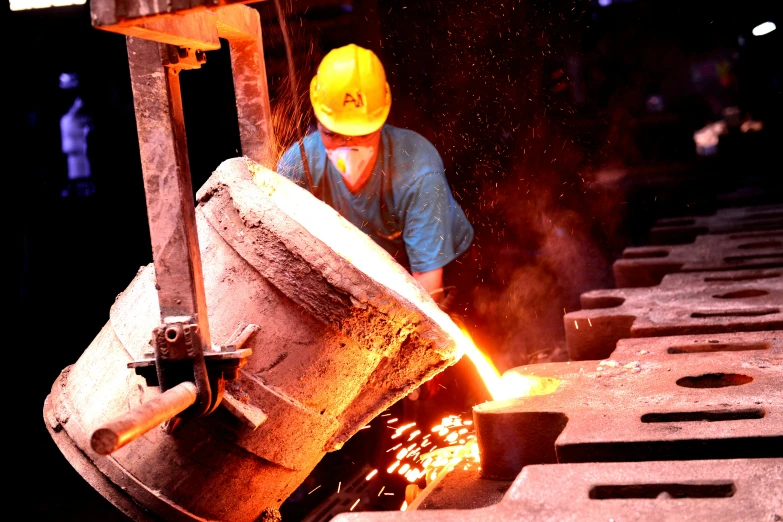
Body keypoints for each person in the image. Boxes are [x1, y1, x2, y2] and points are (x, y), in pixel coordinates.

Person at [276, 44, 474, 309]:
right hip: (359, 270)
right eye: (333, 134)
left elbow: (429, 292)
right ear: (317, 118)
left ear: (381, 121)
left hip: (437, 268)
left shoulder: (418, 172)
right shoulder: (298, 166)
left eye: (362, 135)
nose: (347, 149)